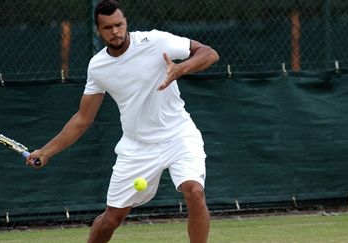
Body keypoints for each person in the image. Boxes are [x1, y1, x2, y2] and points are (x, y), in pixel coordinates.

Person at [26, 0, 219, 242]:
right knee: (110, 220)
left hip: (179, 136)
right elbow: (83, 118)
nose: (115, 31)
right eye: (108, 28)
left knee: (195, 192)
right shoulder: (98, 67)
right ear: (99, 31)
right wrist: (46, 152)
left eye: (119, 24)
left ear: (126, 22)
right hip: (137, 148)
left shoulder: (156, 41)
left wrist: (182, 69)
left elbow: (209, 53)